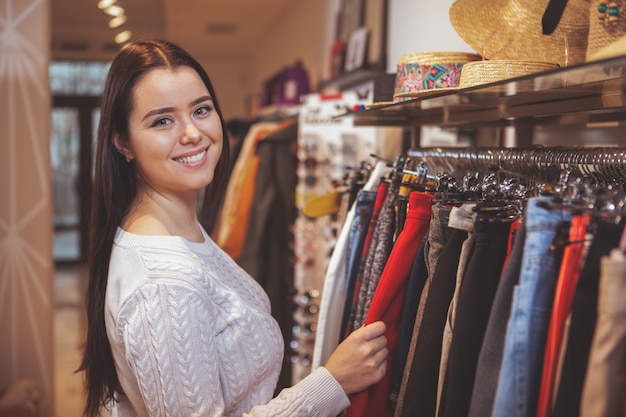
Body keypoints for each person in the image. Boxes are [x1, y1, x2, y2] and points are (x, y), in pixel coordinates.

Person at [78, 39, 388, 417]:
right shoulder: (164, 285)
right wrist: (331, 383)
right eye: (163, 120)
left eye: (201, 110)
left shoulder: (176, 230)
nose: (192, 133)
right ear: (123, 143)